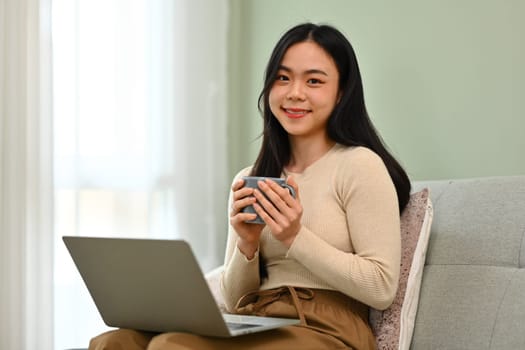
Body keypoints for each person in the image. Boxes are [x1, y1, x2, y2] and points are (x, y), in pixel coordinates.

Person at [89, 22, 411, 350]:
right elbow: (233, 300)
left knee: (171, 346)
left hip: (327, 329)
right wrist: (247, 245)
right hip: (257, 318)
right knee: (114, 341)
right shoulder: (253, 176)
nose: (294, 92)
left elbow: (381, 288)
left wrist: (295, 237)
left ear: (342, 92)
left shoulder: (359, 165)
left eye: (314, 80)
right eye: (283, 78)